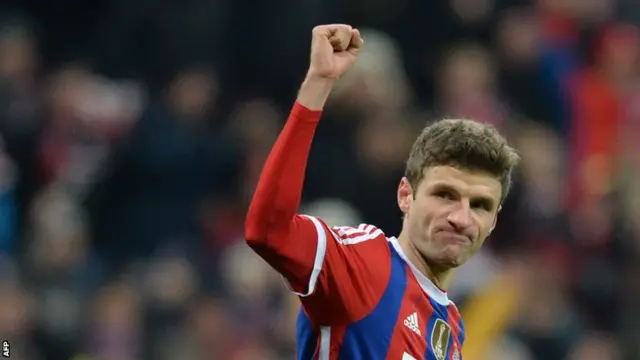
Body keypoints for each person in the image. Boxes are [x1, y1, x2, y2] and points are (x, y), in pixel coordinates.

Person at [245, 24, 520, 360]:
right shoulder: (363, 264)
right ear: (406, 195)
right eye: (444, 195)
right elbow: (269, 231)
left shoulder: (450, 326)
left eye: (479, 205)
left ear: (493, 222)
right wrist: (317, 86)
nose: (460, 218)